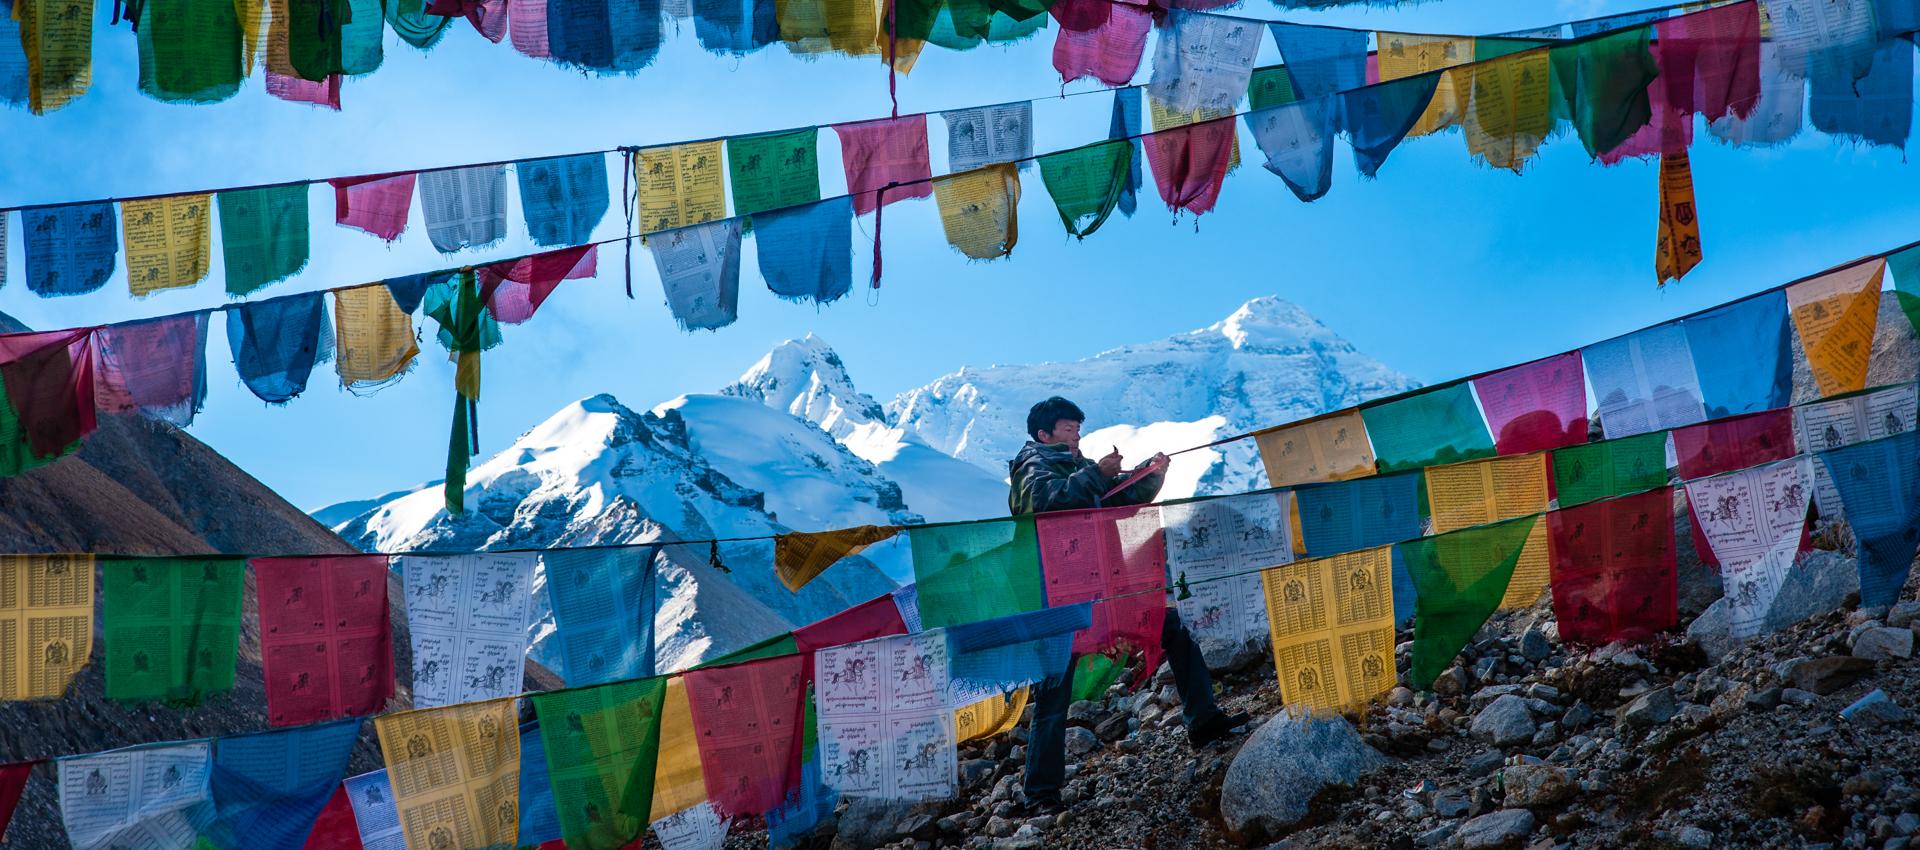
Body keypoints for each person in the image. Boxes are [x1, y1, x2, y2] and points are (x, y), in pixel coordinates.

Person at [1008, 396, 1250, 812]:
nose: (1076, 435)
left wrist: (1149, 475)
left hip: (1100, 587)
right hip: (1055, 596)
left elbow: (1117, 502)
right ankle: (1040, 794)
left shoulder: (1078, 468)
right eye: (1069, 429)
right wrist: (1097, 475)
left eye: (1078, 429)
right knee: (1054, 692)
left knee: (1170, 629)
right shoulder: (1032, 465)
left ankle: (1204, 721)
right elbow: (1044, 505)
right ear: (1043, 434)